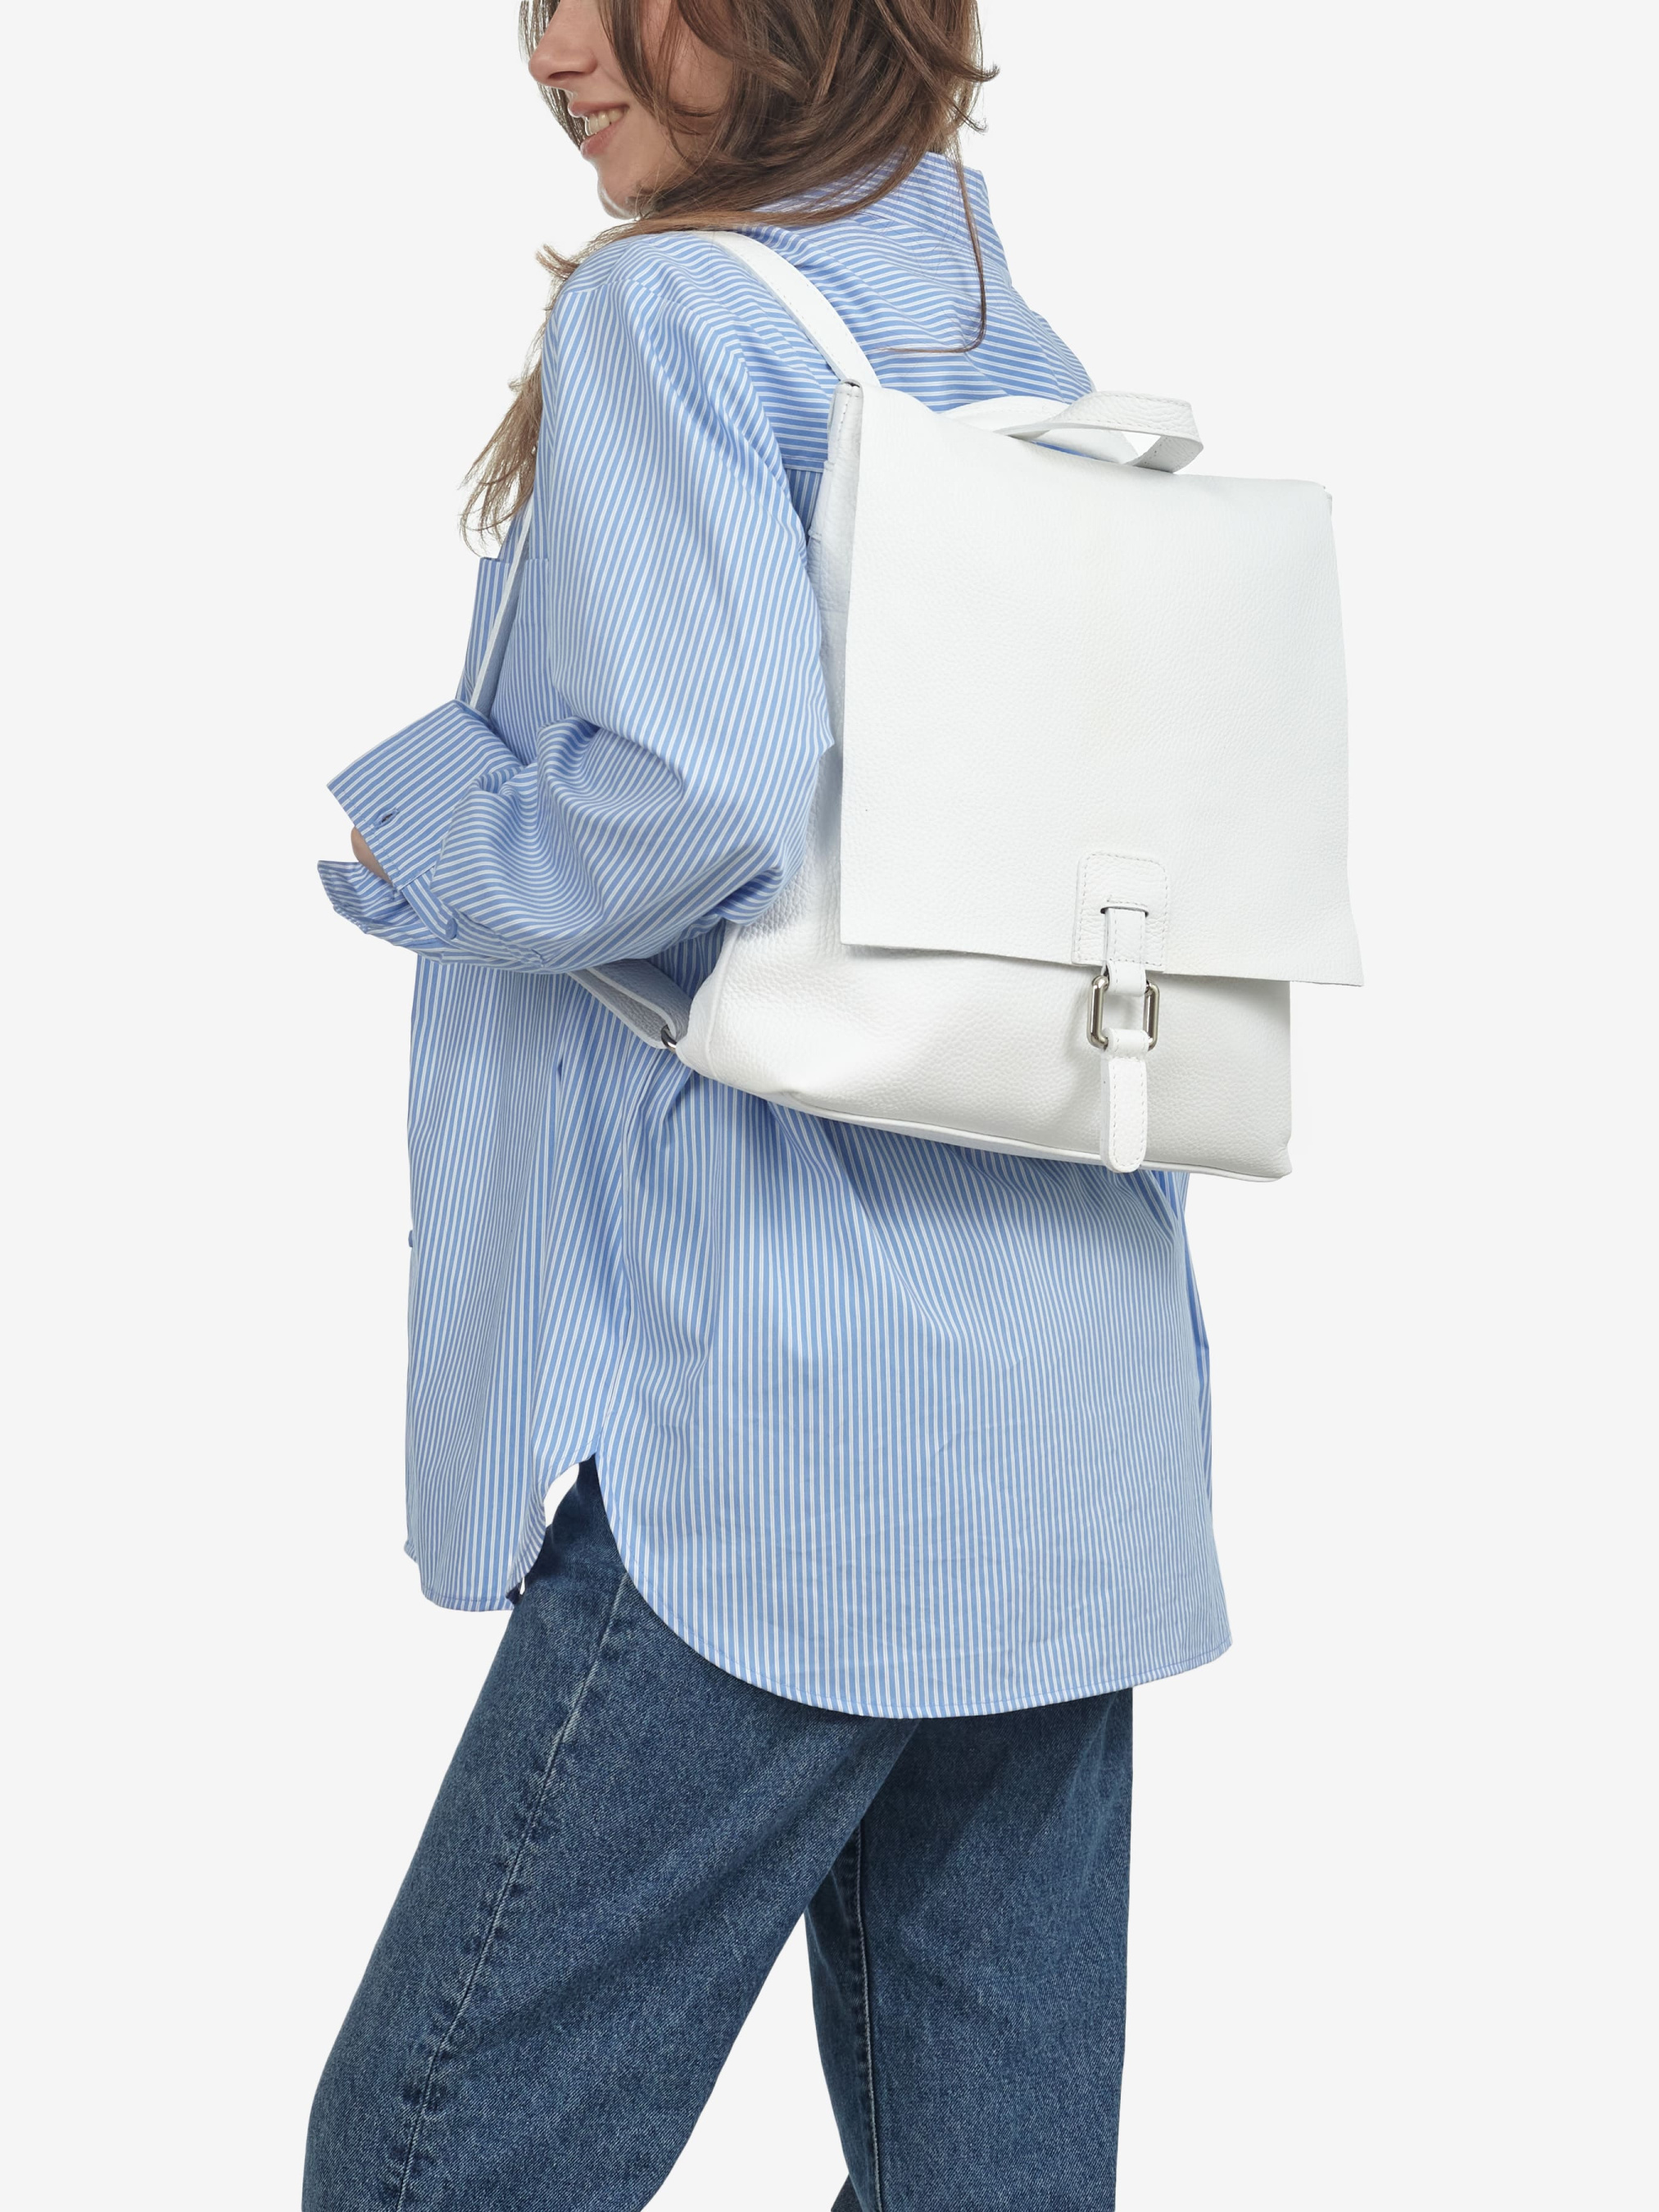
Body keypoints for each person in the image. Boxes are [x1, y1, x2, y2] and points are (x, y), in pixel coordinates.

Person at [306, 3, 1227, 2206]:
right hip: (1067, 1411)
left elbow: (700, 799)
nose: (551, 49)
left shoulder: (673, 313)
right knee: (983, 2177)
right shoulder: (994, 326)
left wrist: (430, 828)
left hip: (792, 1415)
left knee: (429, 2153)